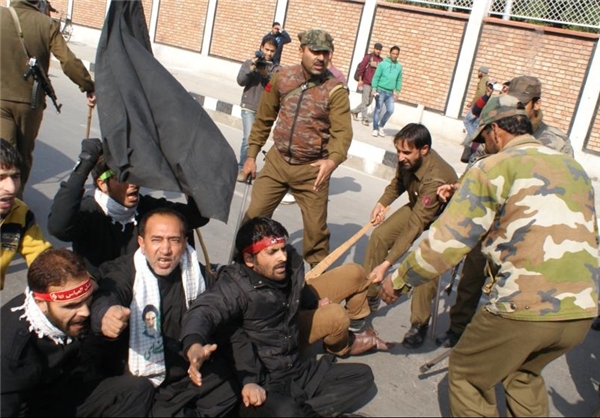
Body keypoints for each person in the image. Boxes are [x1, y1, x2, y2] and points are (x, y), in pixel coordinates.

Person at [379, 94, 598, 416]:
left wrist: (398, 280)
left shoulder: (494, 166)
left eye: (484, 137)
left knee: (467, 376)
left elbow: (447, 242)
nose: (484, 145)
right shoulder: (572, 166)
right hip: (581, 309)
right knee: (522, 376)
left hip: (525, 306)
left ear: (496, 130)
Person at [181, 217, 375, 417]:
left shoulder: (289, 263)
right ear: (249, 260)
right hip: (267, 377)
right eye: (272, 252)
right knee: (286, 411)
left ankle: (305, 411)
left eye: (282, 248)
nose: (282, 256)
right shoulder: (234, 286)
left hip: (295, 366)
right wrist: (194, 343)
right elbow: (202, 311)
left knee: (361, 376)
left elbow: (299, 285)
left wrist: (313, 303)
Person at [436, 75, 577, 349]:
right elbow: (479, 165)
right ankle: (458, 328)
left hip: (526, 231)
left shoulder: (556, 142)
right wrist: (460, 188)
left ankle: (496, 343)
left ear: (536, 103)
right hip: (490, 221)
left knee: (510, 290)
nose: (516, 108)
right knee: (471, 277)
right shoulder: (498, 127)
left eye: (522, 103)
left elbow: (563, 187)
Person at [91, 208, 240, 417]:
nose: (166, 249)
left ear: (185, 242)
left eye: (174, 240)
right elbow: (107, 295)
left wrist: (196, 348)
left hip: (190, 370)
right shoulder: (126, 272)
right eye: (157, 240)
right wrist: (105, 315)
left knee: (230, 384)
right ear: (142, 244)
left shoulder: (196, 274)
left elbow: (217, 307)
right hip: (145, 377)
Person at [240, 28, 352, 268]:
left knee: (315, 233)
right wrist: (251, 156)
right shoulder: (282, 77)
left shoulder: (336, 90)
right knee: (253, 220)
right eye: (315, 51)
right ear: (301, 50)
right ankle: (240, 268)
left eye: (326, 53)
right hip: (277, 163)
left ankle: (317, 284)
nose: (320, 58)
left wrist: (332, 161)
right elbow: (263, 118)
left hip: (312, 171)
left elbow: (342, 134)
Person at [1, 248, 155, 417]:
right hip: (29, 409)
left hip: (66, 391)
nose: (84, 312)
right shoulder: (11, 352)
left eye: (86, 299)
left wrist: (105, 310)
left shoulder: (76, 299)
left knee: (135, 390)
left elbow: (116, 270)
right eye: (71, 306)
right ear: (41, 303)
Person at [47, 138, 209, 278]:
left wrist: (186, 173)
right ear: (102, 184)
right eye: (123, 178)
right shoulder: (89, 212)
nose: (133, 184)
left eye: (134, 175)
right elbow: (58, 227)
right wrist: (83, 164)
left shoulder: (147, 208)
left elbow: (198, 216)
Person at [361, 123, 458, 349]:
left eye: (406, 152)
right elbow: (397, 184)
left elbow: (414, 227)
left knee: (428, 263)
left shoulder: (436, 178)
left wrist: (386, 265)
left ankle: (419, 323)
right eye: (398, 151)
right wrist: (382, 203)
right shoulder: (407, 160)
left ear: (424, 150)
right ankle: (370, 294)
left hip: (443, 221)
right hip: (418, 207)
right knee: (380, 235)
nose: (401, 156)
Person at [0, 0, 96, 192]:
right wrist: (87, 85)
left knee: (4, 156)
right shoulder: (47, 24)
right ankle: (16, 202)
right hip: (31, 104)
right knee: (23, 158)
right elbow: (68, 61)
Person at [0, 138, 51, 290]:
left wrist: (74, 279)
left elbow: (43, 258)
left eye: (15, 177)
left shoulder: (20, 213)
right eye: (0, 178)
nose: (11, 187)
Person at [236, 37, 279, 182]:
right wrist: (252, 69)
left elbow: (275, 87)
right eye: (266, 49)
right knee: (248, 138)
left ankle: (249, 164)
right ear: (261, 48)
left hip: (264, 110)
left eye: (272, 51)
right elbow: (240, 81)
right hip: (249, 106)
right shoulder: (249, 63)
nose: (268, 53)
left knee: (256, 141)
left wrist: (265, 75)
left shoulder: (276, 69)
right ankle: (242, 167)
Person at [371, 45, 403, 137]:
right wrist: (374, 88)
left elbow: (399, 79)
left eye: (397, 54)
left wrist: (397, 91)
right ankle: (375, 128)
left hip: (390, 93)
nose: (395, 55)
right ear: (390, 53)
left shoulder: (399, 67)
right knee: (378, 110)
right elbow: (376, 77)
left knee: (390, 110)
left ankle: (381, 126)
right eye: (393, 53)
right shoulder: (382, 64)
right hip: (380, 90)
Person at [351, 42, 383, 126]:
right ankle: (364, 119)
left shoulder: (381, 60)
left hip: (374, 85)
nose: (378, 51)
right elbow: (361, 67)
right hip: (366, 82)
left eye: (380, 50)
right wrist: (360, 79)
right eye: (377, 49)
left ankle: (354, 111)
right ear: (374, 48)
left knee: (369, 102)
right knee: (365, 101)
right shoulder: (369, 57)